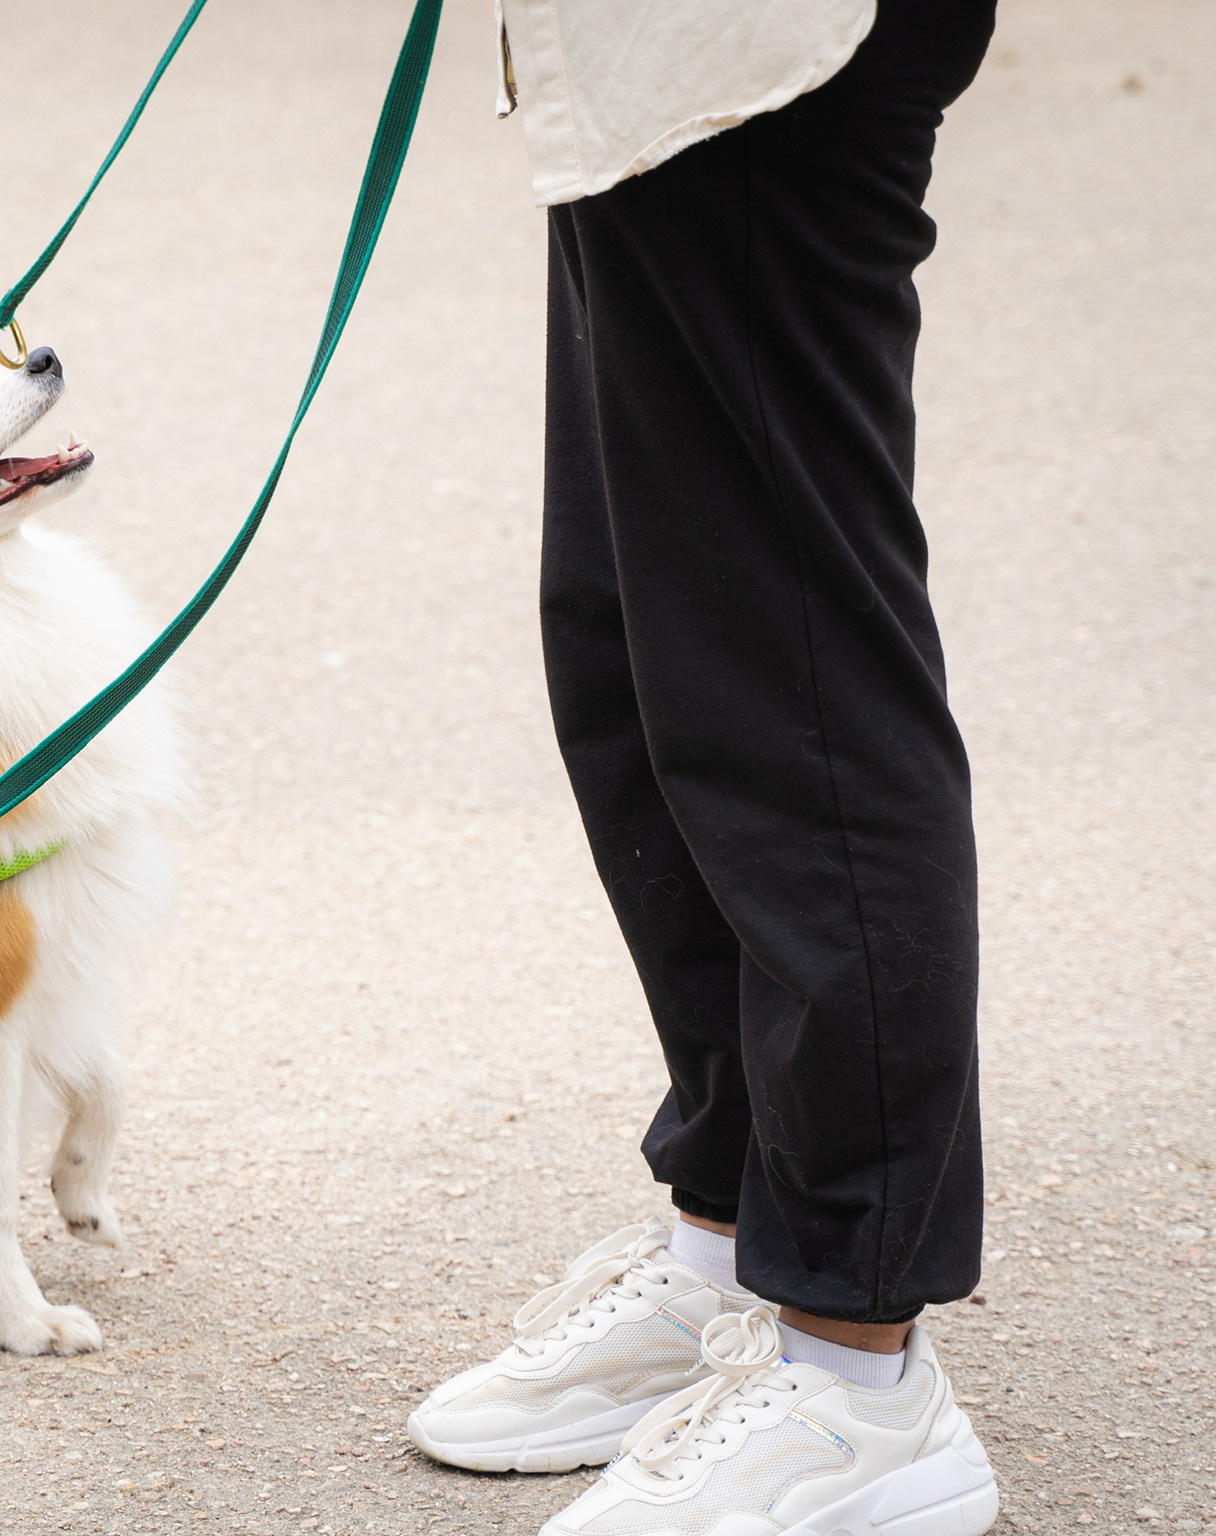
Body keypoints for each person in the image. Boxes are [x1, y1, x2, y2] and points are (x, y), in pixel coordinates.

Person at [406, 2, 1003, 1533]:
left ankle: (858, 1381)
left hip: (766, 48)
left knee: (787, 679)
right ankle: (735, 1253)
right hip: (640, 64)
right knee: (637, 649)